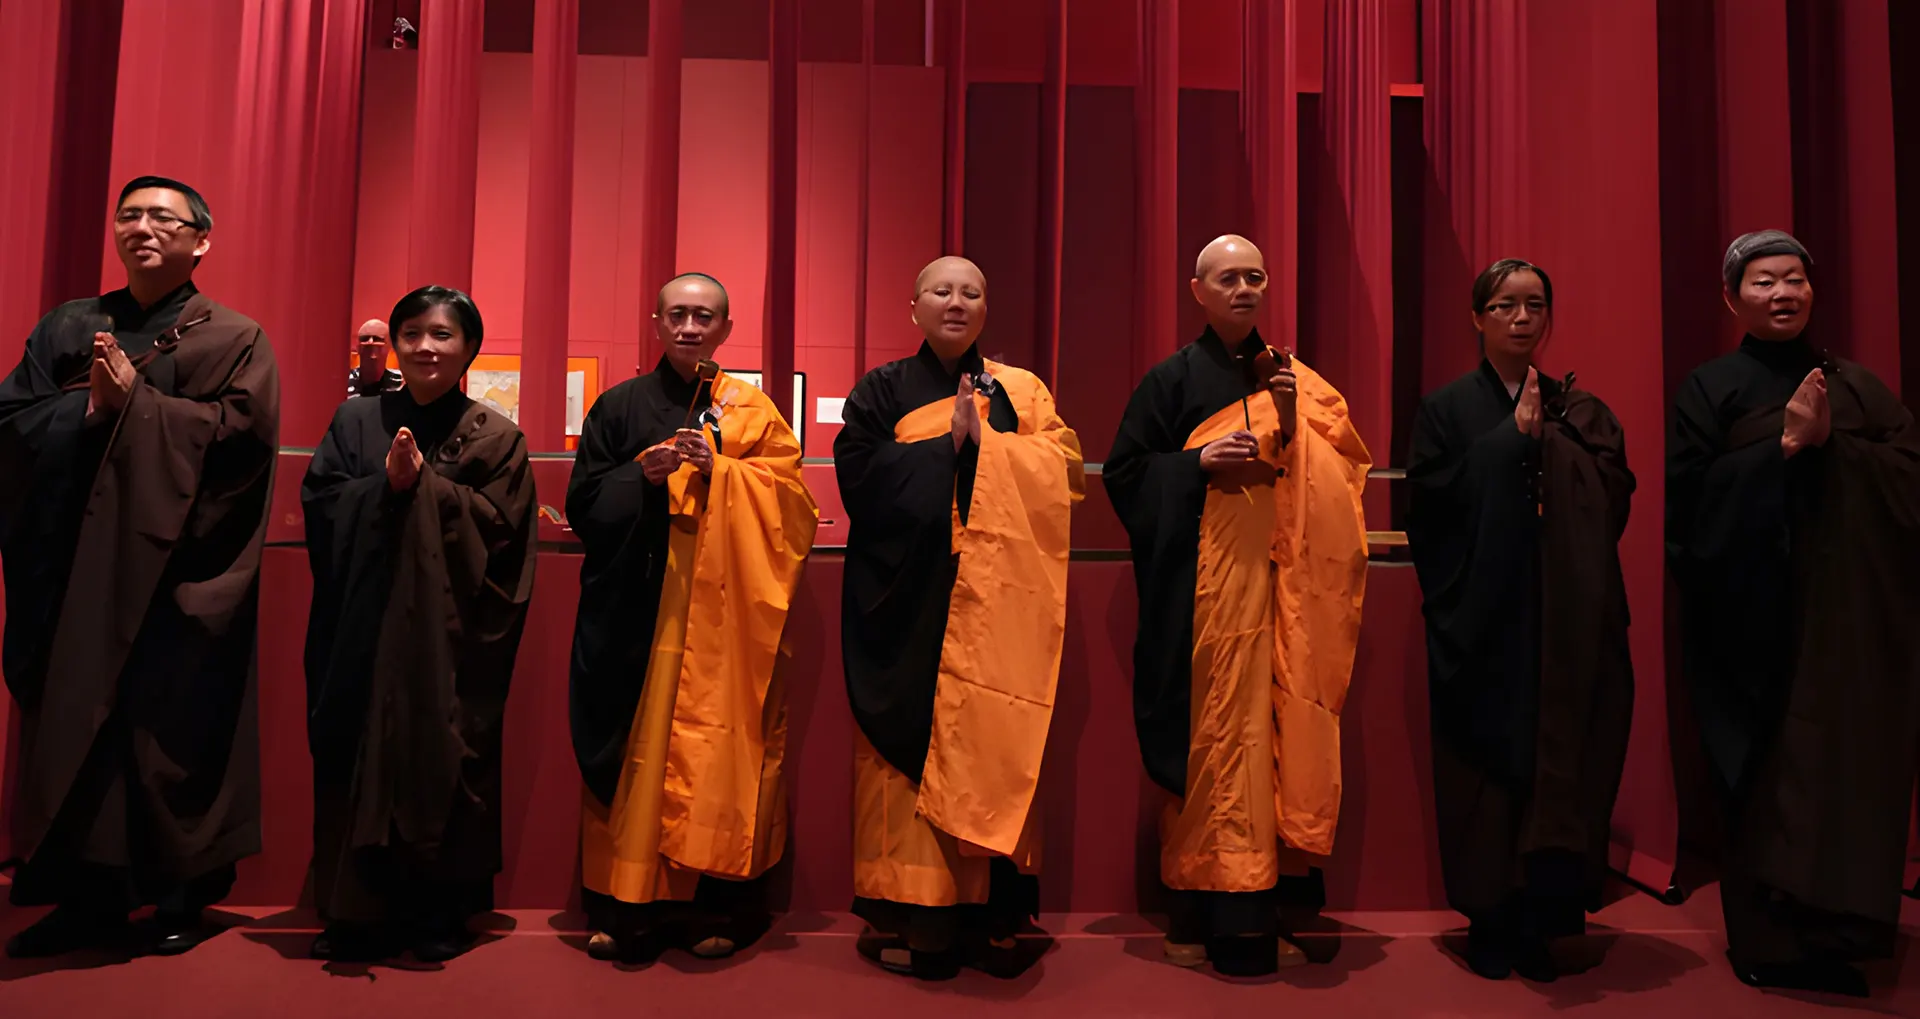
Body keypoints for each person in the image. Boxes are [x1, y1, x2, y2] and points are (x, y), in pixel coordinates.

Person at [0, 176, 278, 958]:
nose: (143, 227)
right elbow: (11, 422)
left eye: (164, 216)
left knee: (167, 736)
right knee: (78, 735)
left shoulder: (233, 337)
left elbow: (245, 445)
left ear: (201, 241)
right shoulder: (70, 325)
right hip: (72, 574)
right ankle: (87, 900)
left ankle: (178, 896)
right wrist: (89, 407)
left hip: (172, 574)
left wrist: (141, 410)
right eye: (129, 214)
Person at [1106, 234, 1370, 976]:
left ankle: (1267, 913)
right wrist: (1195, 464)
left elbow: (1342, 467)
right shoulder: (1170, 381)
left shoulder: (1296, 379)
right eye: (1228, 278)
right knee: (1217, 751)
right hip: (1207, 603)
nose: (1244, 288)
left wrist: (1292, 430)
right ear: (1198, 290)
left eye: (1255, 276)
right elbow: (1126, 475)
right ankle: (1201, 915)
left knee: (1278, 750)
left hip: (1286, 599)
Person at [1668, 230, 1920, 997]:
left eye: (1794, 280)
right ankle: (1769, 943)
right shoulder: (1711, 389)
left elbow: (1908, 479)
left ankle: (1843, 926)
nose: (1781, 294)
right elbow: (1689, 507)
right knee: (1768, 781)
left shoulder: (1859, 388)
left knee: (1845, 777)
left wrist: (1834, 445)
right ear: (1731, 299)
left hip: (1847, 627)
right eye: (1762, 282)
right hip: (1752, 627)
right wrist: (1780, 446)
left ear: (1814, 289)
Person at [836, 255, 1084, 979]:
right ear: (913, 306)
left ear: (986, 308)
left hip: (999, 595)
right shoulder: (881, 389)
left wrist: (992, 445)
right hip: (910, 596)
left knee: (993, 739)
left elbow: (1067, 470)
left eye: (972, 291)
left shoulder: (1022, 390)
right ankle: (920, 917)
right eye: (941, 291)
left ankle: (993, 913)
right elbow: (858, 477)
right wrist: (942, 447)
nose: (957, 302)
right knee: (907, 757)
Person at [567, 272, 818, 963]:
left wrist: (728, 473)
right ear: (655, 321)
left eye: (704, 315)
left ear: (726, 328)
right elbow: (583, 503)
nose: (689, 326)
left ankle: (718, 907)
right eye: (677, 313)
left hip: (721, 620)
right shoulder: (618, 406)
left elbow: (795, 509)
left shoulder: (755, 412)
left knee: (716, 754)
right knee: (635, 758)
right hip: (638, 609)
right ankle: (623, 908)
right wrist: (638, 479)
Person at [1406, 259, 1635, 982]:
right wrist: (1510, 445)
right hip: (1484, 623)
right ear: (1477, 317)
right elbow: (1429, 510)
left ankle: (1546, 918)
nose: (1521, 318)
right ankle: (1491, 921)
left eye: (1535, 305)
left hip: (1561, 623)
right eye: (1505, 305)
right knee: (1488, 776)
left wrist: (1554, 445)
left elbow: (1613, 496)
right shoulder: (1446, 410)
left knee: (1558, 767)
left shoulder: (1578, 408)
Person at [301, 285, 536, 963]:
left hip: (453, 638)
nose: (425, 347)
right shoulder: (355, 422)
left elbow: (506, 537)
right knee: (353, 750)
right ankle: (352, 909)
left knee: (447, 755)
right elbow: (320, 503)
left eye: (442, 335)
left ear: (469, 348)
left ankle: (440, 912)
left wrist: (427, 490)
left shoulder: (497, 435)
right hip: (364, 627)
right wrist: (384, 488)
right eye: (412, 334)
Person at [347, 318, 404, 397]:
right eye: (365, 339)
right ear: (358, 347)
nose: (370, 343)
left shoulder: (401, 382)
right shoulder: (345, 383)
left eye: (377, 339)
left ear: (390, 346)